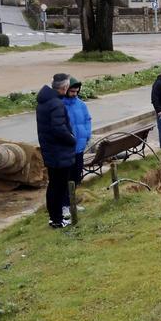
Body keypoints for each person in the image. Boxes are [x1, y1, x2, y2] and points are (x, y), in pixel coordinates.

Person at [36, 73, 77, 229]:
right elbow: (59, 129)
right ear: (65, 87)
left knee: (53, 185)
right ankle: (58, 219)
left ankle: (54, 218)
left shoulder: (44, 101)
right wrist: (72, 139)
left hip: (50, 149)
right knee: (59, 186)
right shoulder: (56, 104)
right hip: (59, 151)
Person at [62, 76, 92, 220]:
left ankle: (72, 202)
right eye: (72, 91)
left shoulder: (81, 104)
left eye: (76, 91)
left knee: (76, 177)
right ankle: (65, 205)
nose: (74, 93)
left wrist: (87, 134)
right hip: (67, 149)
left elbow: (87, 119)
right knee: (66, 179)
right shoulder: (61, 105)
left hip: (79, 147)